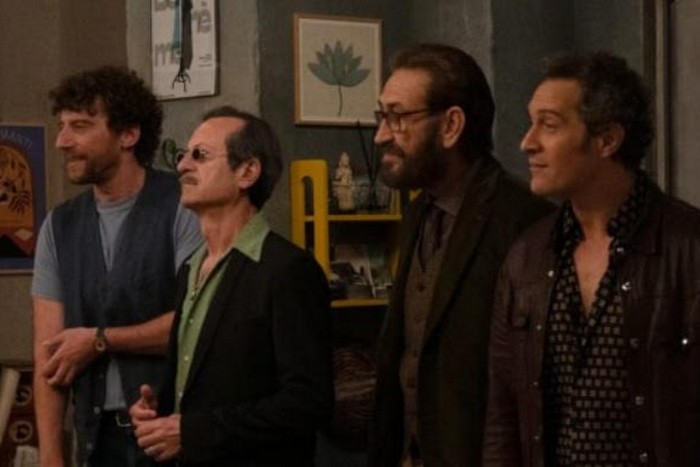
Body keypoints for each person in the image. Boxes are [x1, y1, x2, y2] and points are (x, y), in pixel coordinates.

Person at [483, 51, 700, 466]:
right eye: (531, 123)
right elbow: (503, 413)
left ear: (607, 140)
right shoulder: (527, 256)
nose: (527, 142)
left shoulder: (688, 248)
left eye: (549, 125)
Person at [368, 43, 552, 467]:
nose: (381, 135)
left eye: (397, 117)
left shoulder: (524, 222)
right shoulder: (417, 213)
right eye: (382, 116)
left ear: (451, 125)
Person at [129, 106, 333, 465]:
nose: (182, 165)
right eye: (182, 155)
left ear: (247, 172)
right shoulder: (190, 268)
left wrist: (193, 432)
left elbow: (308, 403)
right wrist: (160, 410)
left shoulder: (288, 270)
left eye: (200, 155)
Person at [31, 66, 201, 467]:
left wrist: (100, 340)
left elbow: (198, 323)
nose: (62, 141)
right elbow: (49, 355)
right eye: (62, 126)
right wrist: (51, 455)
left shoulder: (182, 206)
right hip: (94, 438)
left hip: (169, 432)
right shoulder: (60, 225)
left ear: (128, 135)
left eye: (80, 126)